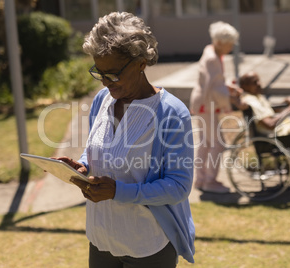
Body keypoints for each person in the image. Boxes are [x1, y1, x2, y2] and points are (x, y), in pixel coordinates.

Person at [55, 12, 195, 267]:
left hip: (147, 245)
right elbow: (95, 149)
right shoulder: (102, 100)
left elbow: (179, 186)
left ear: (141, 62)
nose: (106, 82)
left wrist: (119, 191)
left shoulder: (171, 113)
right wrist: (84, 167)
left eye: (113, 74)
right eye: (100, 73)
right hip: (102, 239)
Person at [190, 21, 243, 193]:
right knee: (218, 143)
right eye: (229, 45)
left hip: (202, 103)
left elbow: (215, 81)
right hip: (207, 105)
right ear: (220, 42)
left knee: (205, 142)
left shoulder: (210, 51)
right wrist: (233, 101)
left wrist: (228, 87)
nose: (231, 48)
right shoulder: (213, 58)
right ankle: (209, 181)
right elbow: (216, 88)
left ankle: (201, 179)